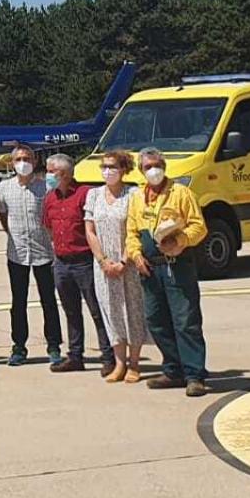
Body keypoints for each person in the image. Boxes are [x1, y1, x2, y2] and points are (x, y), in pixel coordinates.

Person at [126, 147, 210, 396]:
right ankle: (174, 370)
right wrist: (136, 255)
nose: (153, 170)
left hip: (177, 265)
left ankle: (194, 375)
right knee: (156, 320)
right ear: (141, 171)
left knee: (185, 321)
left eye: (157, 166)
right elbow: (131, 232)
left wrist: (181, 240)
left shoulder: (181, 193)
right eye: (148, 167)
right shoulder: (137, 197)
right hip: (150, 268)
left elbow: (199, 226)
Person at [43, 153, 110, 373]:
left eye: (51, 171)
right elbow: (48, 226)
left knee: (97, 310)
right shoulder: (50, 197)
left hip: (84, 261)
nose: (48, 175)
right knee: (71, 311)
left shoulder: (85, 194)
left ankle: (108, 356)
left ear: (64, 173)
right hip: (62, 262)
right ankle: (75, 355)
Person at [0, 147, 62, 367]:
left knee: (49, 301)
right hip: (17, 254)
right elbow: (3, 216)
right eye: (18, 159)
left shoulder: (46, 187)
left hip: (44, 252)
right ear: (12, 162)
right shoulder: (3, 188)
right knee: (18, 302)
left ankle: (54, 345)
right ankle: (19, 346)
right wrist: (14, 235)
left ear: (34, 161)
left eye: (26, 158)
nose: (22, 163)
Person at [85, 149, 147, 383]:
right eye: (104, 166)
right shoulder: (93, 194)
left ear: (123, 169)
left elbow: (135, 229)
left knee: (132, 311)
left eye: (112, 166)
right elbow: (90, 230)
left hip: (127, 263)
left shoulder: (133, 194)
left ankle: (134, 363)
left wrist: (123, 261)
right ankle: (119, 363)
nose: (107, 171)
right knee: (111, 311)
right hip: (103, 264)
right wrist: (102, 260)